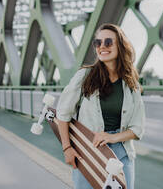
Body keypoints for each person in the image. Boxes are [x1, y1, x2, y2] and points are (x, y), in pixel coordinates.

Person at [56, 23, 145, 189]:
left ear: (120, 45)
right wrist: (67, 148)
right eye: (98, 43)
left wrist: (112, 137)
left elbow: (138, 128)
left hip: (122, 154)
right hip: (88, 151)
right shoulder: (85, 76)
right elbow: (63, 114)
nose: (102, 47)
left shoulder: (130, 83)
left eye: (108, 42)